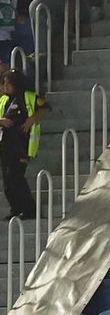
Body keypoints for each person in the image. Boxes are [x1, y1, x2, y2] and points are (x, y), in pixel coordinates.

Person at [0, 71, 40, 219]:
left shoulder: (26, 97)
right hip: (5, 146)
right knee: (7, 182)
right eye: (4, 83)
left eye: (8, 83)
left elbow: (44, 107)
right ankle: (15, 209)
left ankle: (30, 209)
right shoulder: (4, 101)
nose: (5, 86)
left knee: (16, 178)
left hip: (20, 145)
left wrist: (32, 119)